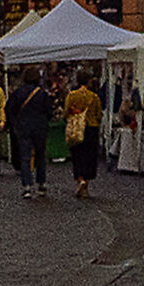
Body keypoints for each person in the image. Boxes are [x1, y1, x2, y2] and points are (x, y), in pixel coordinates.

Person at [10, 68, 53, 198]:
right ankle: (41, 183)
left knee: (25, 157)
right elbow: (49, 111)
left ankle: (27, 186)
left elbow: (10, 109)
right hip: (39, 127)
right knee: (40, 155)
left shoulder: (18, 93)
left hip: (23, 127)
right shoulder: (42, 93)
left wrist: (16, 123)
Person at [63, 68, 102, 199]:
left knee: (77, 155)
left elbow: (66, 112)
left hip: (77, 129)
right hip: (91, 128)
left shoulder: (72, 95)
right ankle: (87, 182)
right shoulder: (94, 97)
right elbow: (99, 115)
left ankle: (80, 179)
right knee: (89, 156)